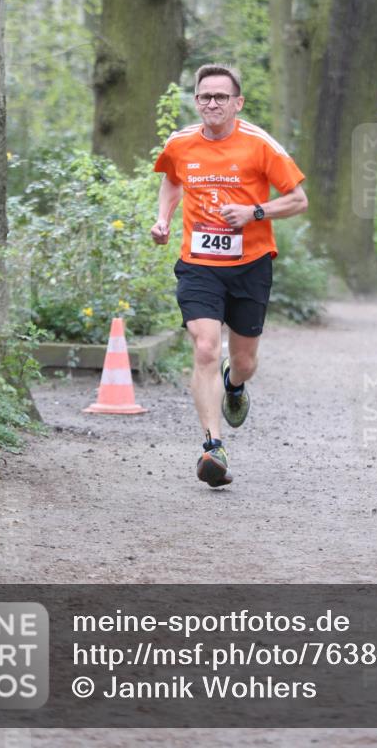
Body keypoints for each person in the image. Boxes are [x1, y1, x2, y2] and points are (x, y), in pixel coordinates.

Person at [151, 64, 308, 487]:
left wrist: (255, 212)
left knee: (243, 361)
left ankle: (233, 386)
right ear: (196, 101)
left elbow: (298, 200)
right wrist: (162, 219)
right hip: (199, 264)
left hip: (250, 265)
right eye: (205, 96)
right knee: (204, 346)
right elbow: (171, 180)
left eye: (221, 96)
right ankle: (212, 447)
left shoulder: (260, 145)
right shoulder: (180, 143)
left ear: (237, 103)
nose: (212, 103)